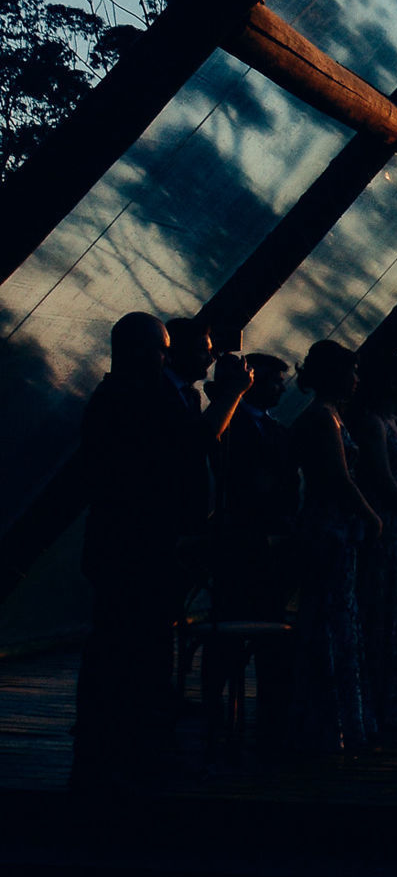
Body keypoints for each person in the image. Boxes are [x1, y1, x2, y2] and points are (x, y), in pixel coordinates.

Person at [72, 314, 240, 787]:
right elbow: (193, 443)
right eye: (157, 349)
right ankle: (123, 747)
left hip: (135, 545)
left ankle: (118, 743)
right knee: (128, 645)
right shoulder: (134, 399)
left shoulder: (127, 397)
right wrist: (231, 395)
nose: (162, 357)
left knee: (130, 646)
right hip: (134, 548)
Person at [290, 340, 380, 751]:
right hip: (330, 529)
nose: (358, 379)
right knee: (330, 617)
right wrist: (369, 514)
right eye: (353, 371)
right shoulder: (324, 419)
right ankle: (328, 719)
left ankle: (330, 718)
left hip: (330, 527)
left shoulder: (328, 417)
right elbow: (338, 478)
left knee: (334, 615)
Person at [207, 352, 300, 749]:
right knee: (237, 629)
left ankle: (264, 715)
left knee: (264, 630)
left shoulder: (274, 429)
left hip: (271, 545)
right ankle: (225, 712)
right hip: (243, 544)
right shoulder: (233, 426)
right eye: (276, 381)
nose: (281, 388)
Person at [351, 354, 397, 731]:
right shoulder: (372, 424)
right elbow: (381, 476)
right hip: (386, 521)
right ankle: (380, 695)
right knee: (381, 604)